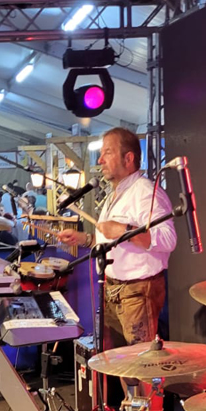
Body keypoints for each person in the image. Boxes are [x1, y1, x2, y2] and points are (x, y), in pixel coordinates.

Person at [57, 124, 176, 359]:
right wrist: (86, 239)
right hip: (112, 290)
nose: (100, 160)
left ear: (128, 158)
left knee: (139, 365)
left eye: (107, 152)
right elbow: (115, 242)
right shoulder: (116, 194)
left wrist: (123, 229)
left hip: (136, 293)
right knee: (119, 363)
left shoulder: (145, 192)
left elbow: (168, 239)